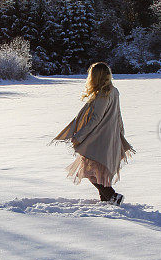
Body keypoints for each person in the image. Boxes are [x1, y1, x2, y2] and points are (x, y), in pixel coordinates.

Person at [52, 62, 135, 204]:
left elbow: (95, 119)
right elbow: (118, 114)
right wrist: (120, 131)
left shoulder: (104, 94)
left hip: (100, 137)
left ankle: (112, 196)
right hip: (110, 135)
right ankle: (105, 199)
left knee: (90, 170)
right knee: (99, 170)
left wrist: (79, 136)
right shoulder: (113, 91)